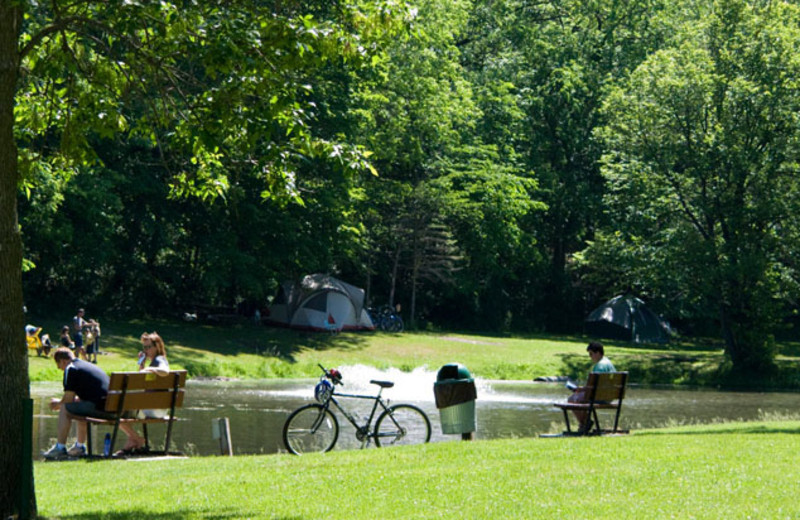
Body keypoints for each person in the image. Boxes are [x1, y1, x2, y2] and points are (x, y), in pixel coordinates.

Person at [43, 348, 111, 459]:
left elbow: (68, 400)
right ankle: (79, 446)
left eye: (58, 364)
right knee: (79, 405)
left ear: (63, 361)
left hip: (99, 408)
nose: (58, 368)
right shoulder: (88, 365)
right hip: (113, 408)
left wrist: (58, 404)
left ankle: (60, 448)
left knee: (65, 408)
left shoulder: (71, 368)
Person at [116, 332, 171, 455]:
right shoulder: (155, 361)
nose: (146, 350)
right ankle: (132, 441)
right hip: (159, 408)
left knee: (115, 412)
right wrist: (142, 364)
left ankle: (136, 439)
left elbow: (165, 371)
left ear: (157, 347)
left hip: (154, 409)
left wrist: (149, 369)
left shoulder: (160, 359)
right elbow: (143, 382)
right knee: (124, 409)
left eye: (148, 347)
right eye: (144, 347)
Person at [567, 341, 616, 432]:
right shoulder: (608, 363)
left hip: (600, 396)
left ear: (598, 353)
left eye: (591, 354)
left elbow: (592, 386)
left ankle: (584, 423)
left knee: (572, 399)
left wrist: (581, 389)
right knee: (579, 398)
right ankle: (585, 423)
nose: (590, 357)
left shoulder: (600, 366)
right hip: (610, 396)